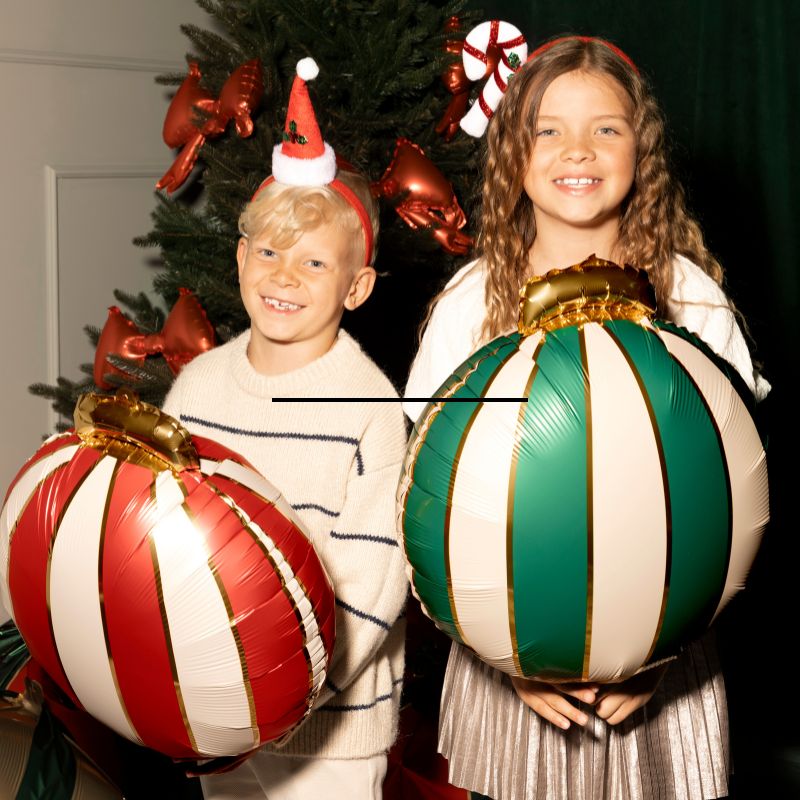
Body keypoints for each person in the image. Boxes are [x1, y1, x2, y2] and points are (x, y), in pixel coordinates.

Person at [404, 33, 769, 800]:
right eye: (549, 130)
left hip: (668, 671)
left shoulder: (693, 300)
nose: (579, 150)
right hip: (510, 671)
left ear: (642, 150)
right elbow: (422, 498)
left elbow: (741, 490)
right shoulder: (470, 304)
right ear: (514, 155)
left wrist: (666, 651)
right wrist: (504, 656)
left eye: (606, 128)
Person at [163, 58, 408, 800]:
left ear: (356, 287)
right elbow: (165, 536)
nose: (283, 275)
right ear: (241, 258)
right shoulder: (197, 389)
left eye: (313, 262)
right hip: (217, 710)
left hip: (329, 730)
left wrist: (285, 694)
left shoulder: (369, 409)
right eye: (268, 252)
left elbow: (372, 586)